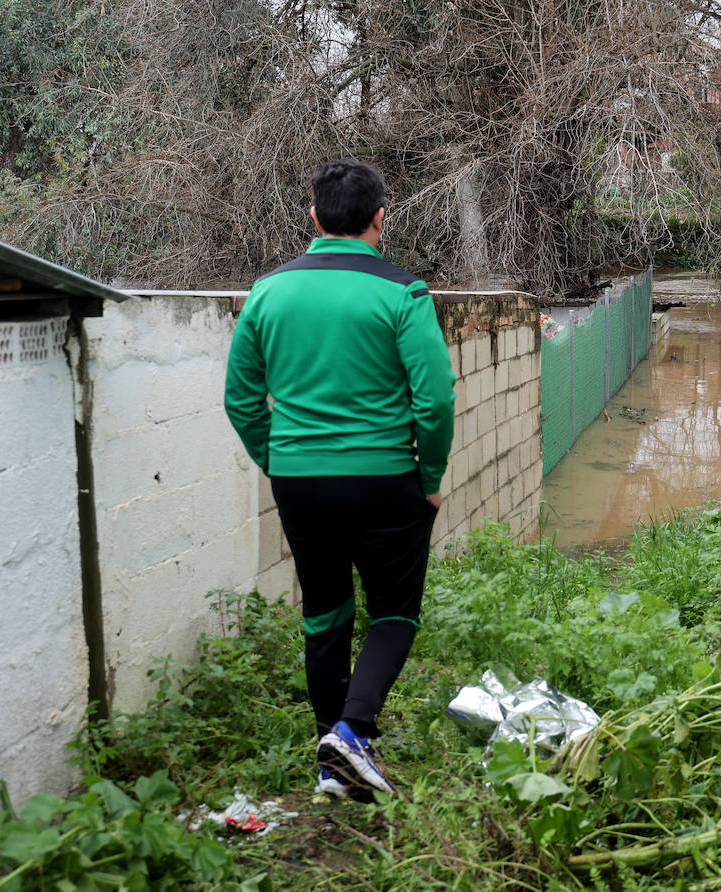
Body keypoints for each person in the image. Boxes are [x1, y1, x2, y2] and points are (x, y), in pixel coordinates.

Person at [224, 158, 455, 801]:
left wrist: (280, 460)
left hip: (301, 482)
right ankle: (353, 732)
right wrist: (429, 473)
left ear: (314, 217)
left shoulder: (268, 292)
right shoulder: (403, 293)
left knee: (324, 614)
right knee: (394, 614)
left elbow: (241, 399)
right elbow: (435, 399)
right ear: (381, 218)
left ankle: (332, 764)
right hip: (385, 480)